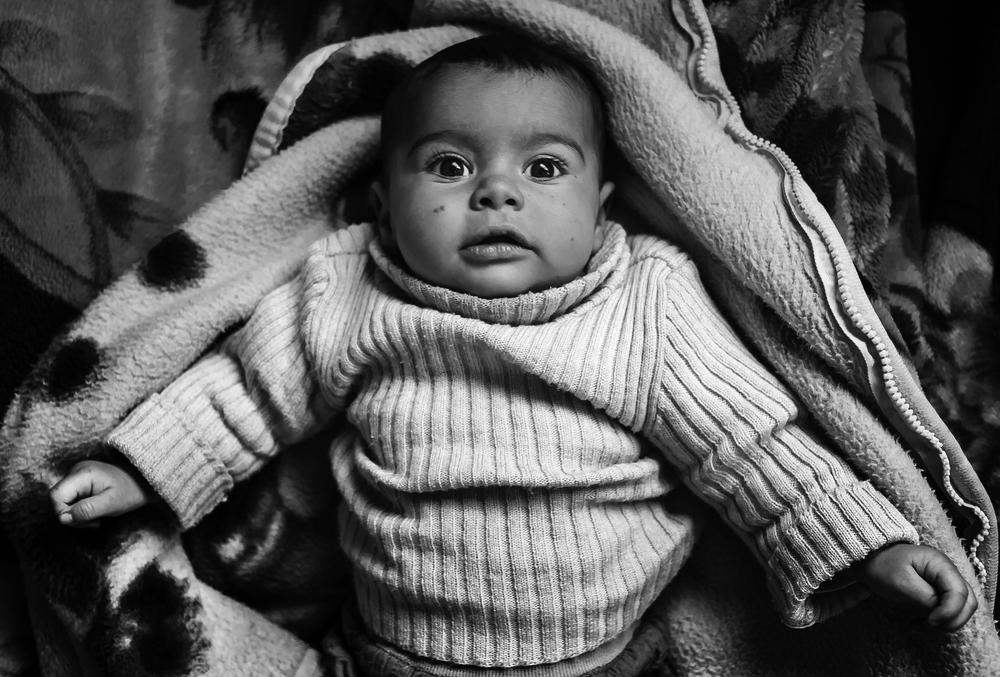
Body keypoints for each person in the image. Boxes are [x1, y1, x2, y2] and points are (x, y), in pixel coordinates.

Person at [49, 35, 977, 675]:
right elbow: (241, 393)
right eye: (450, 165)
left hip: (610, 658)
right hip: (387, 656)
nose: (496, 192)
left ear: (602, 206)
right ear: (383, 203)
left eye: (544, 167)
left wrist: (867, 545)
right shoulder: (345, 288)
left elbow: (751, 444)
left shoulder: (645, 299)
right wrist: (144, 468)